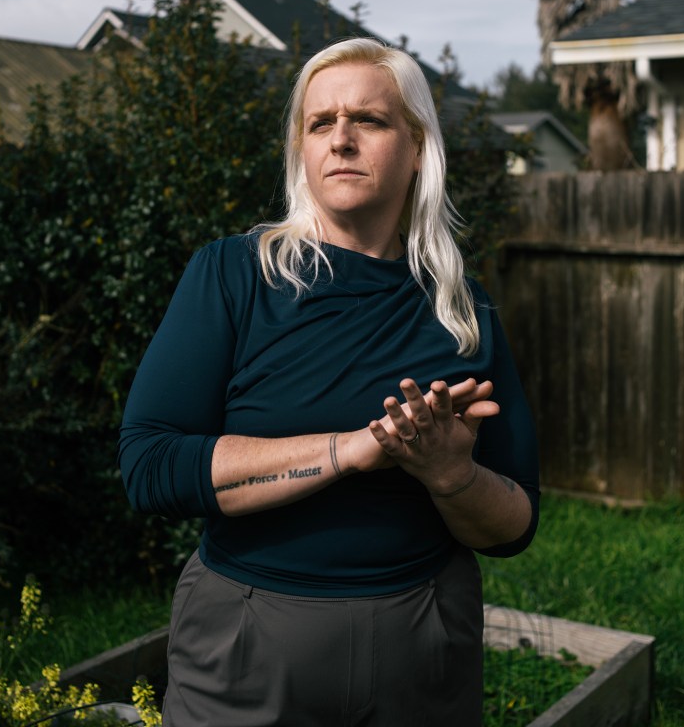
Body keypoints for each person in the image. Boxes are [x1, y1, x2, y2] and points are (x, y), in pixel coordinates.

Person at [119, 37, 539, 727]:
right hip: (247, 642)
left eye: (367, 120)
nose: (340, 139)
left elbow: (514, 527)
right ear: (301, 152)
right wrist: (349, 450)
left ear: (417, 145)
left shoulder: (465, 309)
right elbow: (150, 465)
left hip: (425, 642)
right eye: (320, 123)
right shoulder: (233, 276)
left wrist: (449, 475)